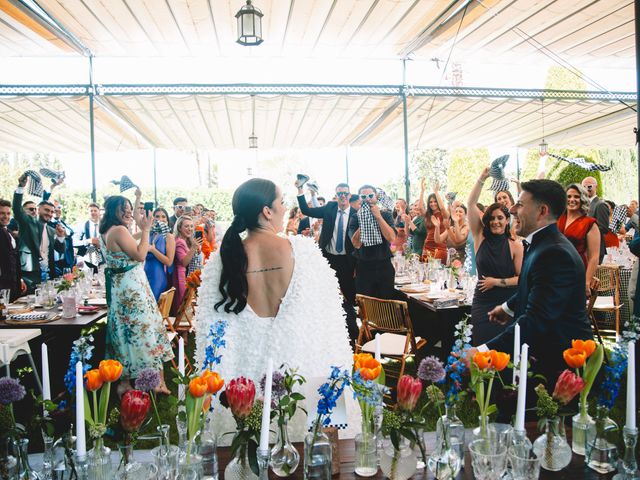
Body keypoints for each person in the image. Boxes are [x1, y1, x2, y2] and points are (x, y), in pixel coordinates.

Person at [194, 178, 352, 442]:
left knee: (245, 453)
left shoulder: (225, 257)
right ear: (267, 211)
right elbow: (328, 329)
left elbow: (210, 333)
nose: (284, 207)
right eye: (281, 202)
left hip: (244, 380)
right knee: (312, 453)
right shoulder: (302, 251)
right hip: (300, 371)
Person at [470, 179, 593, 386]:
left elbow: (537, 319)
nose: (512, 209)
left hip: (558, 365)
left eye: (520, 204)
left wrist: (483, 351)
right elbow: (536, 287)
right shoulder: (541, 244)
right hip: (542, 354)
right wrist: (507, 307)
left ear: (542, 211)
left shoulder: (554, 253)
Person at [99, 191, 173, 393]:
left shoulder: (108, 230)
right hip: (133, 291)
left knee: (124, 332)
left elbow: (130, 242)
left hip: (120, 290)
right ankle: (155, 382)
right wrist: (147, 229)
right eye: (124, 210)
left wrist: (142, 231)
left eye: (130, 209)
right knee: (144, 330)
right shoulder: (119, 231)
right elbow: (140, 255)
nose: (128, 213)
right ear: (114, 211)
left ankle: (124, 382)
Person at [296, 181, 359, 344]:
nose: (343, 196)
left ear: (349, 196)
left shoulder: (356, 214)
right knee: (328, 296)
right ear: (336, 196)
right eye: (339, 194)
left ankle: (352, 334)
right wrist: (299, 189)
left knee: (349, 296)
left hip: (348, 261)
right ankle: (330, 332)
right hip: (328, 260)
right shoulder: (329, 208)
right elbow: (306, 210)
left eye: (345, 193)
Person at [467, 167, 523, 344]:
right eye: (492, 218)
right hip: (483, 301)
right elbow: (470, 204)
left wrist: (496, 282)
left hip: (506, 303)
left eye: (500, 218)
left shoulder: (515, 246)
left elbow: (521, 279)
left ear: (507, 221)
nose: (495, 222)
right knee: (481, 344)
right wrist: (482, 178)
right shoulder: (479, 237)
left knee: (503, 349)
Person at [348, 185, 397, 299]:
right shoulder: (355, 218)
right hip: (364, 267)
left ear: (376, 197)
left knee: (386, 304)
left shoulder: (385, 214)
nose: (367, 199)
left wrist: (378, 217)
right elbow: (356, 243)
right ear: (360, 199)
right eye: (363, 196)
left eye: (370, 195)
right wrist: (364, 220)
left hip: (384, 266)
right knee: (366, 306)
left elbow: (391, 238)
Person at [12, 174, 56, 291]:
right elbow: (16, 209)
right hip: (30, 273)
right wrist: (21, 187)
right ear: (38, 209)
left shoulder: (52, 230)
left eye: (52, 212)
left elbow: (59, 250)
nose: (50, 214)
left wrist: (61, 239)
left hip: (47, 274)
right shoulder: (28, 222)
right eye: (47, 210)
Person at [556, 184, 600, 297]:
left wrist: (586, 281)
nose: (572, 200)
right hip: (555, 270)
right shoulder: (558, 218)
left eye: (576, 196)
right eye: (569, 196)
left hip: (575, 271)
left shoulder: (589, 223)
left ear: (582, 199)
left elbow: (594, 257)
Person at [172, 215, 203, 314]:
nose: (190, 229)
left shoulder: (186, 241)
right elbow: (184, 262)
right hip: (180, 276)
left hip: (185, 276)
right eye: (186, 226)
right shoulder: (180, 242)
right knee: (182, 306)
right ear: (179, 228)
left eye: (191, 226)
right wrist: (193, 249)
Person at [143, 208, 176, 301]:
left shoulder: (168, 236)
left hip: (158, 275)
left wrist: (153, 250)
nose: (160, 219)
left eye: (163, 216)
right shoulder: (150, 234)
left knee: (153, 304)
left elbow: (169, 262)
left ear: (167, 219)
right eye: (157, 216)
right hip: (145, 272)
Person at [0, 199, 25, 301]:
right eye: (1, 213)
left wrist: (20, 279)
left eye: (8, 213)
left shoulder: (9, 232)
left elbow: (15, 260)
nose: (6, 216)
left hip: (13, 284)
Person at [581, 176, 609, 262]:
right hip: (583, 249)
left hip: (595, 249)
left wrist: (585, 231)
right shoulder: (583, 204)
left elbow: (603, 228)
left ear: (596, 187)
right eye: (584, 187)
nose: (586, 189)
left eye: (589, 186)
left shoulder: (600, 205)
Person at [422, 182, 449, 262]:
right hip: (427, 246)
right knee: (424, 270)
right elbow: (420, 208)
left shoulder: (444, 214)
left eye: (435, 201)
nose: (433, 204)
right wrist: (422, 191)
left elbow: (443, 208)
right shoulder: (428, 215)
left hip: (439, 246)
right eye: (430, 202)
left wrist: (436, 192)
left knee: (438, 271)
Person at [76, 203, 103, 272]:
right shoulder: (82, 225)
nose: (93, 212)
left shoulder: (104, 225)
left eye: (95, 210)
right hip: (87, 256)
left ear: (99, 211)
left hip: (102, 256)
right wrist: (88, 241)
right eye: (91, 211)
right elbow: (74, 241)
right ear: (88, 212)